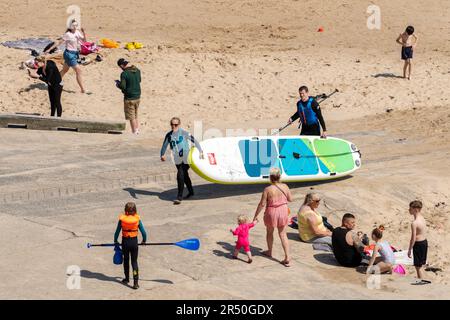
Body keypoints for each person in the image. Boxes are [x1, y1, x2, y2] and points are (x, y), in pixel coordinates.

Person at [253, 167, 292, 267]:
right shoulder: (285, 186)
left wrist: (255, 215)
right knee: (283, 234)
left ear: (270, 177)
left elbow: (262, 204)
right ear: (279, 176)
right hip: (283, 211)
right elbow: (290, 199)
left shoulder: (267, 189)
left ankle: (270, 251)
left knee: (269, 232)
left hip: (271, 211)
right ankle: (287, 257)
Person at [160, 117, 204, 204]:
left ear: (179, 125)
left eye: (175, 124)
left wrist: (200, 151)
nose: (173, 126)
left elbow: (195, 141)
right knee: (184, 175)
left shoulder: (184, 133)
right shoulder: (169, 135)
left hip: (186, 156)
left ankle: (179, 197)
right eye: (172, 124)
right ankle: (191, 191)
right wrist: (162, 154)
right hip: (177, 158)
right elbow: (164, 145)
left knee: (180, 174)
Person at [44, 19, 87, 93]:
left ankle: (53, 81)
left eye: (76, 25)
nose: (75, 26)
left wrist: (83, 32)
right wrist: (49, 49)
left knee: (64, 70)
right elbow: (59, 43)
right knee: (78, 71)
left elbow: (84, 41)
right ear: (70, 26)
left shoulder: (77, 32)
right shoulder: (67, 34)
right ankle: (83, 89)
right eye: (73, 25)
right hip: (69, 54)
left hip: (74, 54)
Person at [114, 202, 147, 290]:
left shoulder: (122, 220)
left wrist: (115, 241)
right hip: (134, 243)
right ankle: (135, 283)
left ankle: (127, 278)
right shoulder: (137, 220)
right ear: (135, 210)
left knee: (126, 261)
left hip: (125, 242)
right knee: (134, 262)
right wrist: (144, 240)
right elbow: (144, 232)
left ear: (125, 211)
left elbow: (117, 232)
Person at [116, 58, 142, 134]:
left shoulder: (124, 74)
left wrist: (118, 84)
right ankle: (137, 131)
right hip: (137, 96)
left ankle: (135, 132)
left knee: (131, 117)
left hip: (129, 98)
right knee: (135, 115)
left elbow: (123, 86)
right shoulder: (137, 70)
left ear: (121, 65)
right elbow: (139, 80)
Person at [408, 200, 431, 285]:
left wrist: (409, 249)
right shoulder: (422, 218)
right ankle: (423, 279)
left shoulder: (414, 223)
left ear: (416, 209)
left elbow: (413, 238)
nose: (409, 210)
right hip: (424, 242)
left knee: (418, 266)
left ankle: (421, 281)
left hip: (418, 244)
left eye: (410, 208)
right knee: (421, 264)